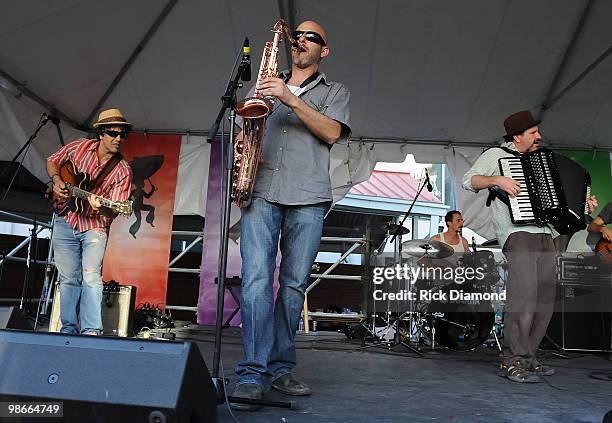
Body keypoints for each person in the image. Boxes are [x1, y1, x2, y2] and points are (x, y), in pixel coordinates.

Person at [231, 20, 350, 410]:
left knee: (293, 286)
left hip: (309, 197)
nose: (301, 40)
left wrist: (291, 98)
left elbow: (331, 133)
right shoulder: (266, 80)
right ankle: (252, 371)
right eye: (298, 35)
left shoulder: (335, 91)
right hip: (261, 190)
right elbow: (247, 125)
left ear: (323, 51)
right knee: (256, 281)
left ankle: (280, 367)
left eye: (311, 37)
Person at [462, 110, 558, 383]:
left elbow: (557, 197)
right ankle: (511, 360)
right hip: (519, 234)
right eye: (532, 132)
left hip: (546, 234)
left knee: (545, 302)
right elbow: (469, 180)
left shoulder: (540, 160)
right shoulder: (497, 156)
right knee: (523, 299)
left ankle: (529, 357)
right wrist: (497, 179)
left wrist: (581, 204)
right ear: (517, 137)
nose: (539, 136)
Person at [47, 108, 133, 335]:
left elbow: (116, 209)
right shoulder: (79, 147)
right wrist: (56, 180)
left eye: (122, 135)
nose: (118, 139)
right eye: (113, 133)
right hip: (65, 219)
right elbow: (53, 161)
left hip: (94, 227)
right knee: (68, 278)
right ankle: (68, 327)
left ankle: (91, 330)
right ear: (101, 133)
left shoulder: (122, 170)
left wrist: (101, 206)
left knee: (92, 277)